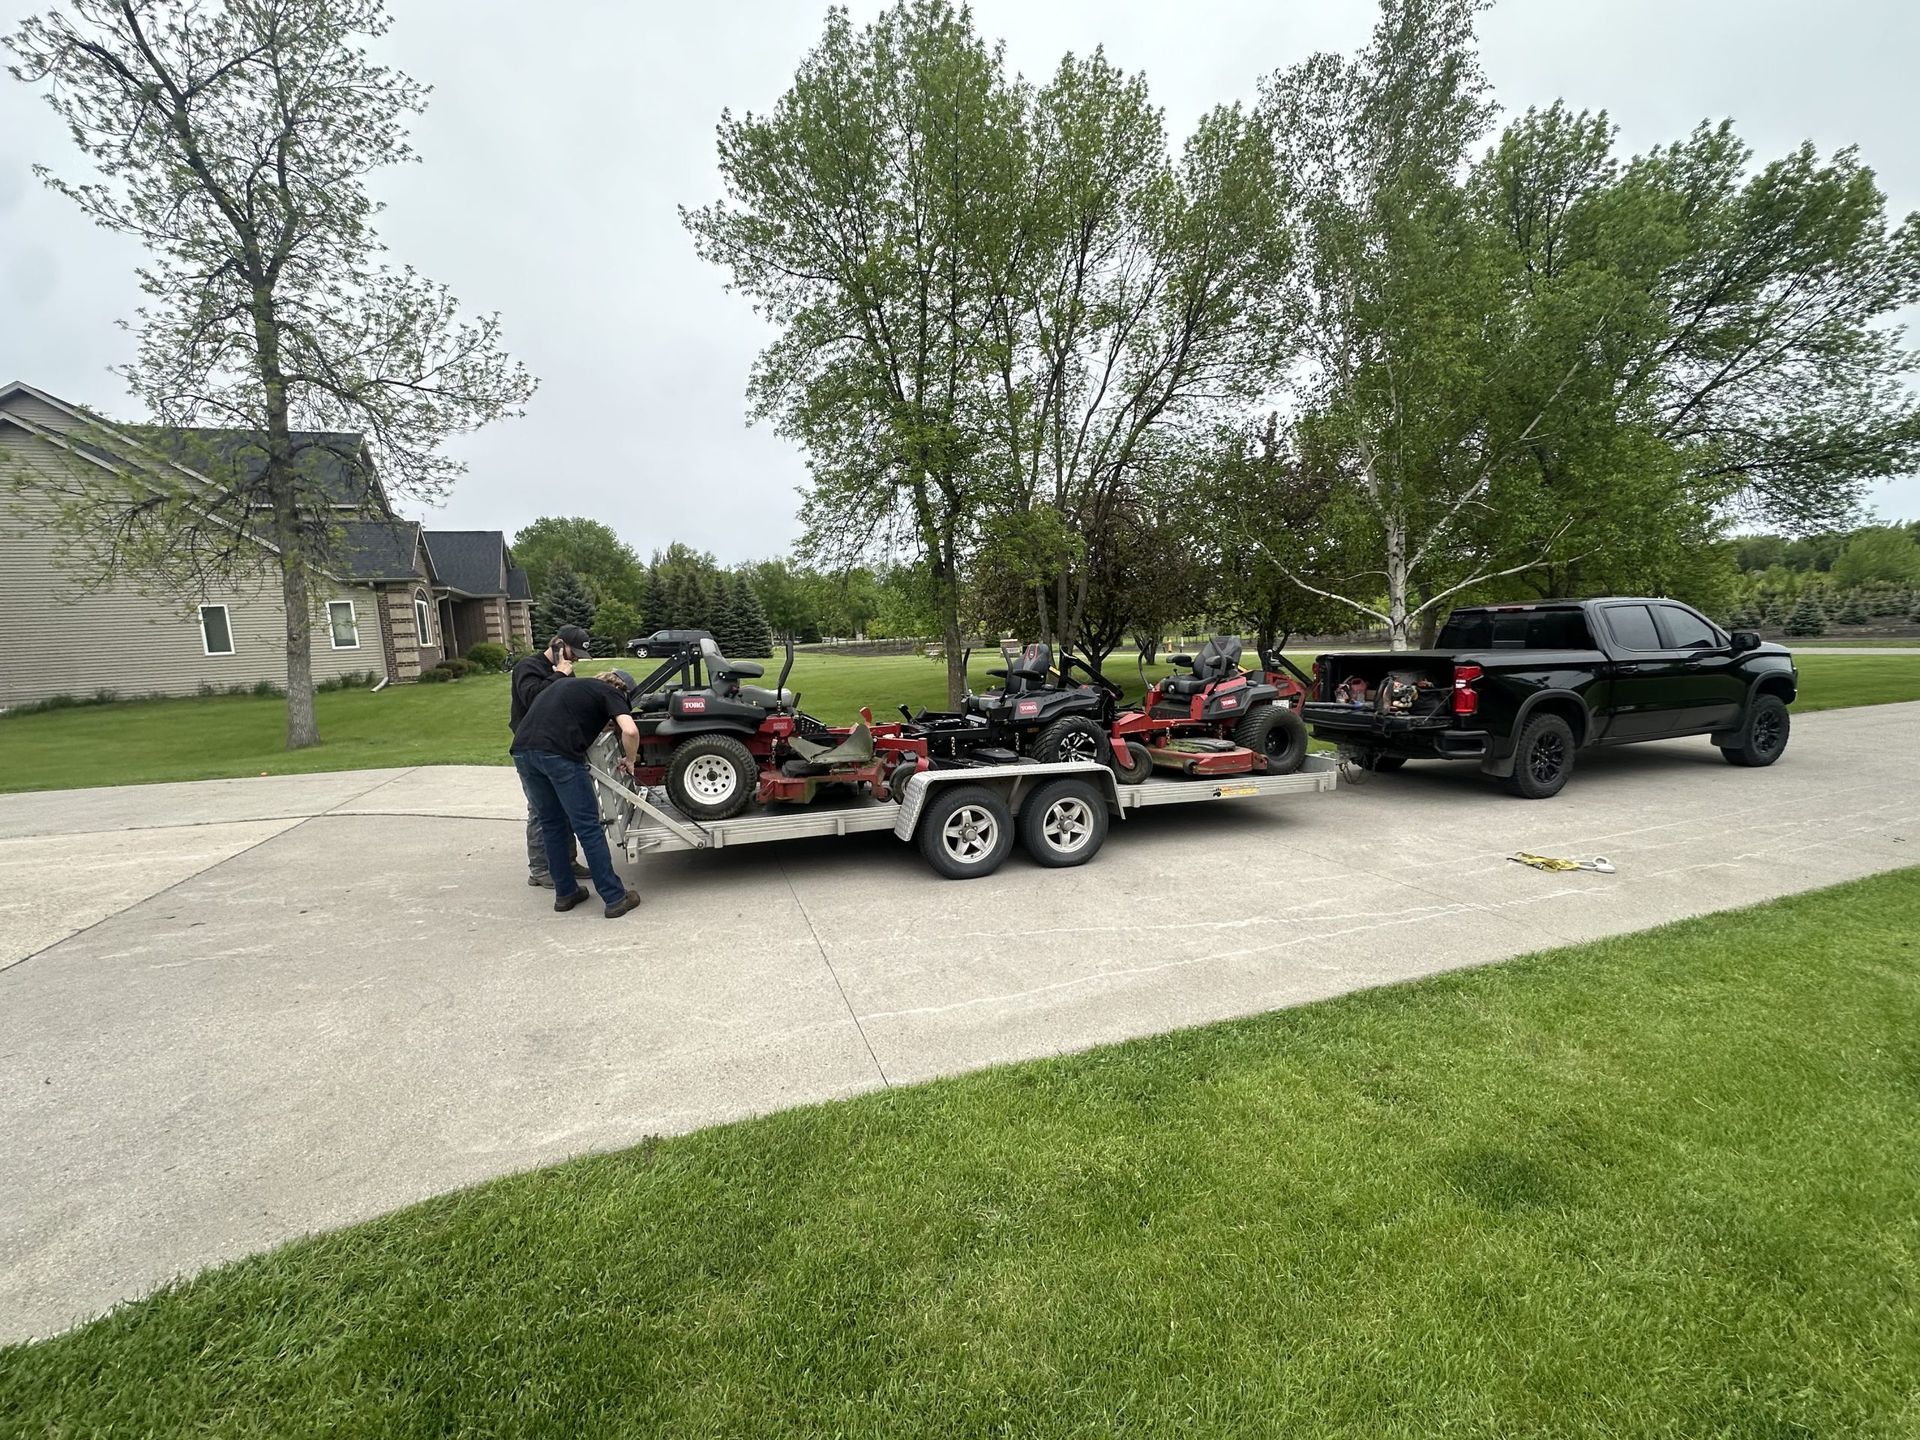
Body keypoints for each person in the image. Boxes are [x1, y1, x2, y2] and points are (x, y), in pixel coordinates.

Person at [511, 669, 644, 919]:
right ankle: (615, 898)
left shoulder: (566, 687)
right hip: (557, 756)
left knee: (552, 825)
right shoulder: (611, 692)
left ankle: (566, 893)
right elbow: (631, 731)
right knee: (588, 828)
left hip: (522, 752)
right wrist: (630, 759)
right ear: (623, 691)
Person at [509, 625, 593, 888]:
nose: (576, 658)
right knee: (541, 810)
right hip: (531, 749)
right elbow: (533, 698)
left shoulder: (565, 670)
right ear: (558, 645)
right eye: (573, 652)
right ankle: (539, 868)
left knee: (565, 807)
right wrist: (558, 674)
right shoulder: (528, 667)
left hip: (558, 747)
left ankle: (567, 861)